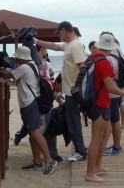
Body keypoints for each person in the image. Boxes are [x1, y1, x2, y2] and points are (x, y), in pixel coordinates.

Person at [0, 46, 57, 175]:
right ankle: (37, 161)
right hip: (32, 103)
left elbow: (8, 75)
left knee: (35, 133)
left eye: (17, 57)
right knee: (32, 135)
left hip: (29, 104)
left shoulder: (24, 68)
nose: (16, 59)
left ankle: (49, 160)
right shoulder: (33, 65)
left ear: (21, 57)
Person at [33, 21, 88, 162]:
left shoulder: (75, 46)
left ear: (64, 31)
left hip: (74, 92)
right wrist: (36, 40)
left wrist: (78, 88)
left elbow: (83, 68)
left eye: (59, 33)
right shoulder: (70, 44)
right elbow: (55, 46)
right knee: (72, 121)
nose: (58, 36)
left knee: (73, 122)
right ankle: (80, 149)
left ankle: (81, 152)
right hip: (69, 92)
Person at [85, 33, 124, 183]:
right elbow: (111, 87)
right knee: (96, 139)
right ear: (111, 48)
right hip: (100, 103)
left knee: (107, 132)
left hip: (95, 101)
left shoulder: (92, 57)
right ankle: (90, 173)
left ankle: (97, 166)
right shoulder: (103, 62)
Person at [103, 35, 124, 156]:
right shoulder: (119, 51)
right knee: (115, 119)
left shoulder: (108, 57)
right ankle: (116, 146)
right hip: (119, 89)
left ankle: (117, 147)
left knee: (113, 120)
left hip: (111, 92)